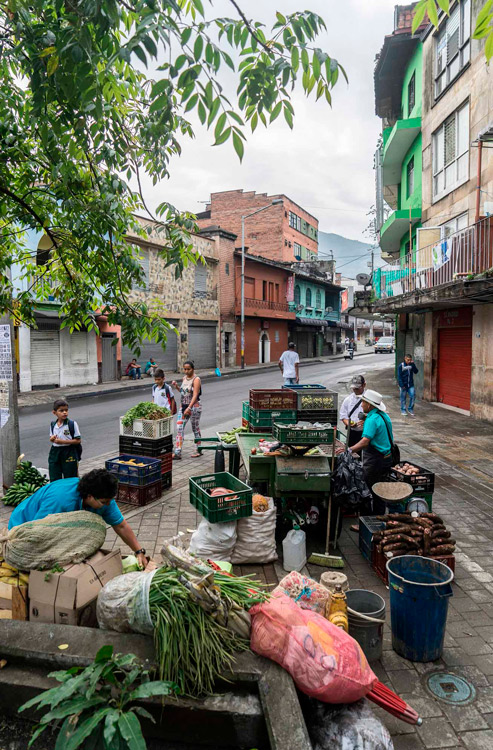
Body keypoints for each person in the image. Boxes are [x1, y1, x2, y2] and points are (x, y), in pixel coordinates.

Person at [8, 469, 148, 568]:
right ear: (89, 496)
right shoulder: (60, 500)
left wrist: (138, 551)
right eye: (104, 501)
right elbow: (38, 532)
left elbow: (121, 526)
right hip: (23, 524)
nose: (108, 505)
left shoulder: (104, 499)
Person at [347, 390, 394, 515]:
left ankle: (365, 520)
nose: (361, 405)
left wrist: (349, 450)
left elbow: (365, 442)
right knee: (380, 490)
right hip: (386, 458)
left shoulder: (372, 419)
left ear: (369, 405)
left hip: (375, 461)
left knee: (366, 490)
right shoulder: (383, 416)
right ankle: (379, 518)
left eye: (363, 402)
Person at [171, 360, 202, 459]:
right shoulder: (184, 378)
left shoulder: (196, 379)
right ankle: (178, 451)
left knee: (195, 428)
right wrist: (176, 387)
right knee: (179, 427)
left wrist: (189, 407)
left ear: (193, 369)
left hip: (194, 407)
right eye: (185, 369)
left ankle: (199, 449)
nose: (186, 371)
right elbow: (183, 392)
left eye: (188, 369)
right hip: (184, 406)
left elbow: (195, 394)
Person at [48, 399, 81, 482]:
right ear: (54, 412)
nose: (64, 413)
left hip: (68, 451)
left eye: (66, 410)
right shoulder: (53, 425)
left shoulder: (72, 424)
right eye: (61, 411)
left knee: (70, 476)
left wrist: (62, 442)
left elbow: (78, 440)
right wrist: (52, 439)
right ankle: (56, 493)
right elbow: (52, 438)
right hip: (55, 452)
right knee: (54, 475)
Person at [339, 375, 366, 449]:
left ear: (364, 385)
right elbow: (343, 416)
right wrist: (349, 423)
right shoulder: (348, 400)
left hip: (365, 434)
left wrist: (366, 422)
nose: (355, 390)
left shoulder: (369, 399)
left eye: (357, 388)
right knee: (351, 453)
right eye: (354, 388)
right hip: (352, 433)